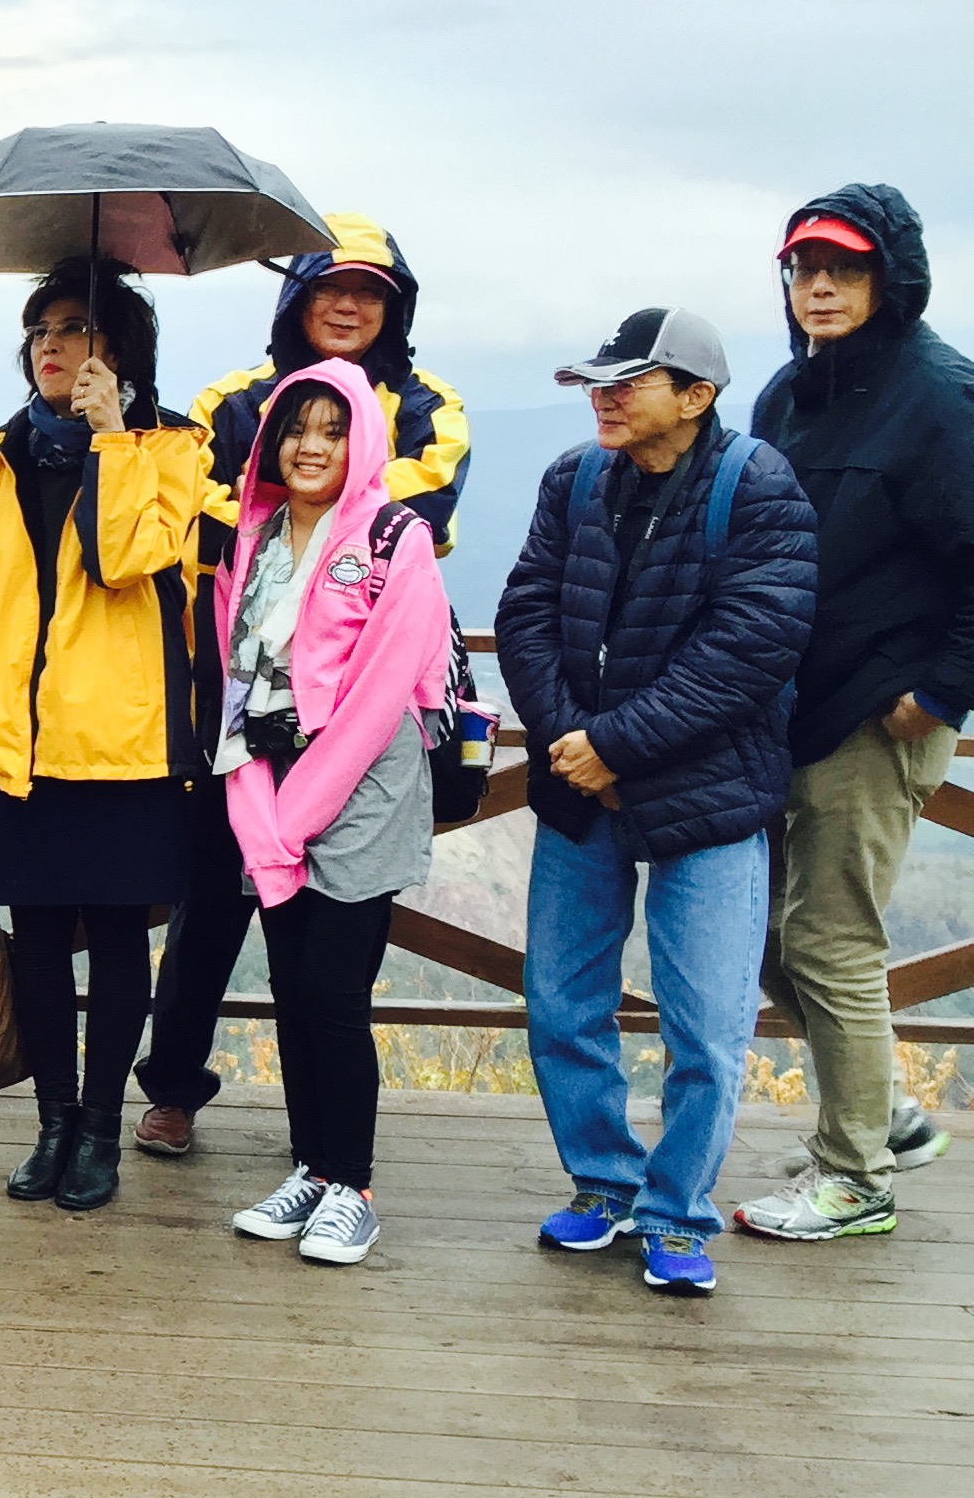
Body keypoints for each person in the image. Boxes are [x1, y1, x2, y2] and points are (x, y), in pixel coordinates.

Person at [137, 218, 471, 1157]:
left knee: (332, 950)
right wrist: (277, 507)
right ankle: (174, 1087)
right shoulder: (231, 399)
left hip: (366, 696)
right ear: (297, 298)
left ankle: (324, 1135)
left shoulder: (432, 404)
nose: (350, 306)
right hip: (241, 696)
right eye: (331, 287)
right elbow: (198, 509)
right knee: (211, 903)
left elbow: (420, 507)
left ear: (396, 308)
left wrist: (284, 498)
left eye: (371, 292)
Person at [498, 307, 816, 1297]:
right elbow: (526, 611)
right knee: (562, 1002)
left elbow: (751, 650)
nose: (605, 396)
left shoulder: (757, 486)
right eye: (599, 380)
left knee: (709, 1026)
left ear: (696, 395)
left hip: (707, 797)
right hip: (581, 784)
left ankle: (676, 1212)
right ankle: (604, 1182)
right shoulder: (574, 479)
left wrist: (613, 748)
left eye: (629, 381)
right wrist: (571, 741)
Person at [0, 264, 207, 1214]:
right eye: (41, 328)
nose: (50, 344)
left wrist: (112, 439)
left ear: (118, 349)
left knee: (118, 940)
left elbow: (127, 558)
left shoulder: (173, 449)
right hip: (18, 743)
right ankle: (52, 1124)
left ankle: (101, 1131)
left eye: (75, 327)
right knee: (35, 941)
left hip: (126, 743)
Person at [731, 187, 972, 1242]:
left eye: (845, 268)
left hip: (880, 714)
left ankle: (855, 1179)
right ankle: (887, 1121)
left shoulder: (942, 397)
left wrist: (941, 692)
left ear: (891, 279)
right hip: (792, 706)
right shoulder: (790, 395)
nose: (819, 287)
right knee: (771, 943)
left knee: (829, 942)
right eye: (804, 269)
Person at [207, 365, 455, 1267]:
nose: (310, 447)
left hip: (365, 786)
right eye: (295, 428)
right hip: (267, 779)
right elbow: (235, 677)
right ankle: (311, 1168)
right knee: (290, 986)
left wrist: (296, 813)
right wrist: (258, 802)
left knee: (333, 990)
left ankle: (352, 1185)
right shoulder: (254, 537)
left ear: (365, 442)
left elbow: (383, 691)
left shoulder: (397, 537)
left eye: (332, 430)